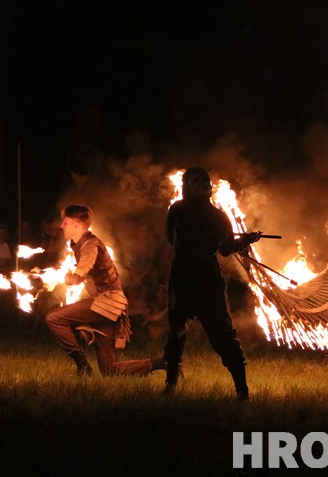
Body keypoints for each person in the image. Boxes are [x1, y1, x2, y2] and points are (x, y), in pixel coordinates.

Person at [162, 167, 261, 400]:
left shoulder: (176, 210)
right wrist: (244, 241)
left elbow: (170, 238)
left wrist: (241, 240)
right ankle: (241, 389)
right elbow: (226, 249)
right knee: (223, 335)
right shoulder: (219, 217)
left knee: (177, 335)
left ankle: (171, 386)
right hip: (206, 282)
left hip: (184, 280)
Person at [44, 205, 164, 376]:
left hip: (107, 302)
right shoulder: (81, 244)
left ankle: (82, 365)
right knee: (109, 371)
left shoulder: (90, 244)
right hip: (108, 305)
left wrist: (74, 277)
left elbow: (86, 263)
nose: (62, 226)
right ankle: (160, 363)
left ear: (77, 225)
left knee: (53, 318)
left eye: (65, 222)